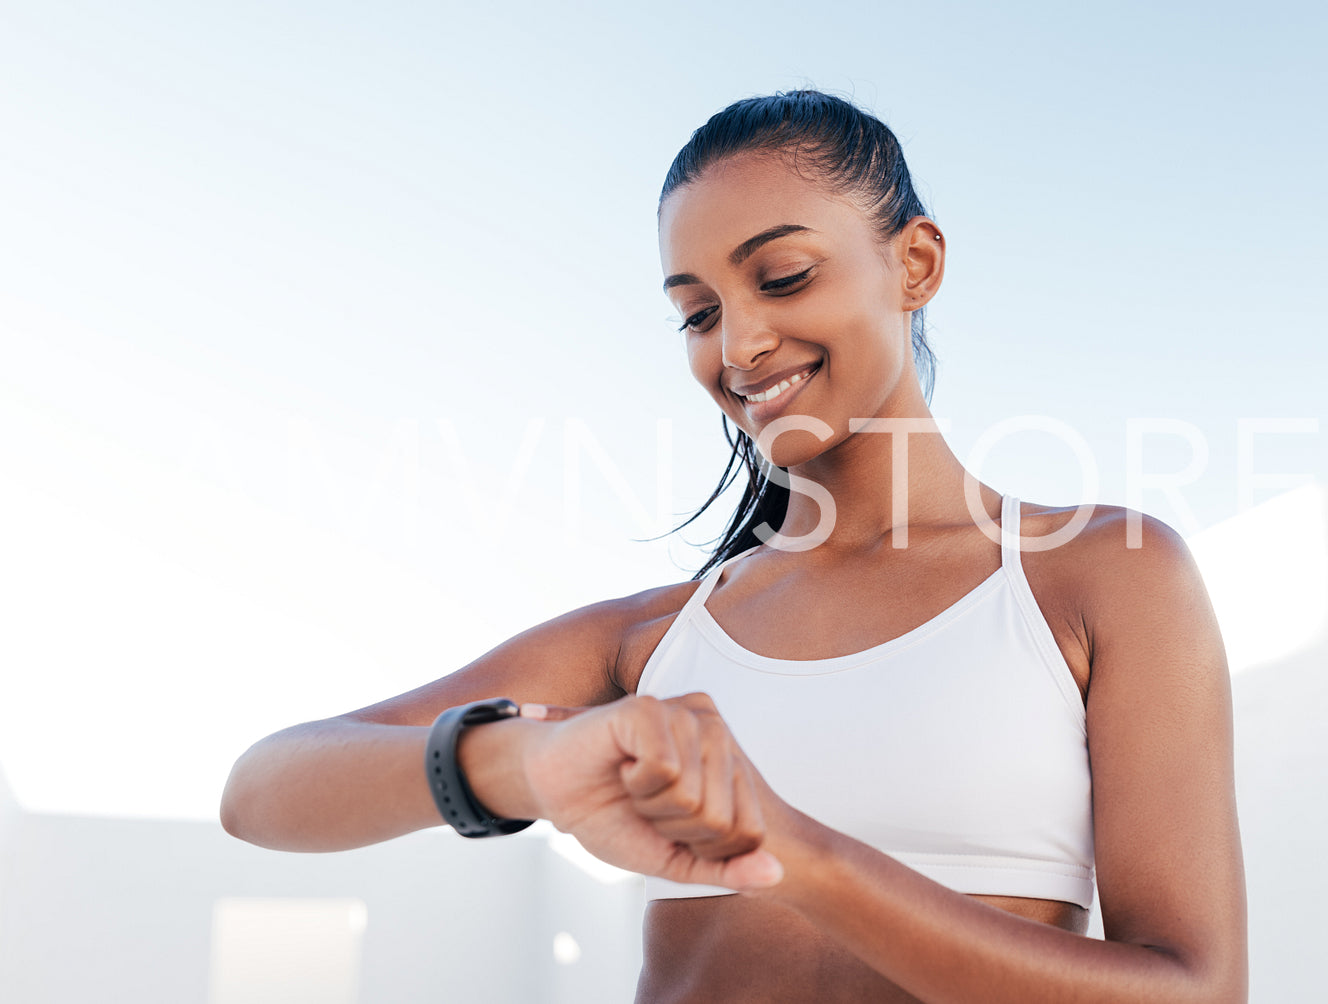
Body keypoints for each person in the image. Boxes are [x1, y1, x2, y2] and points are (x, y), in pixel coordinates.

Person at [221, 89, 1247, 1003]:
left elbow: (1192, 989)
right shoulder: (655, 639)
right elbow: (265, 788)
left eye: (784, 276)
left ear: (915, 264)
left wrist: (797, 853)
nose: (738, 344)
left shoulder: (1097, 574)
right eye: (696, 313)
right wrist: (526, 761)